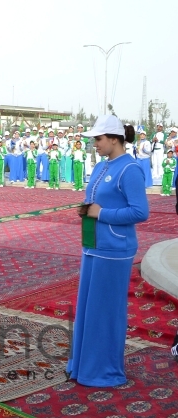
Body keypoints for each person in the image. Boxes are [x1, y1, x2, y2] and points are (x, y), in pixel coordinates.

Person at [67, 115, 149, 387]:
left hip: (114, 249)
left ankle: (103, 370)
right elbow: (95, 201)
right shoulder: (103, 166)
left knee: (105, 311)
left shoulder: (130, 169)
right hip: (93, 246)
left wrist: (101, 213)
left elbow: (140, 211)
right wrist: (87, 208)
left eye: (99, 139)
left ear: (114, 139)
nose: (95, 144)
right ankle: (82, 366)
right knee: (89, 309)